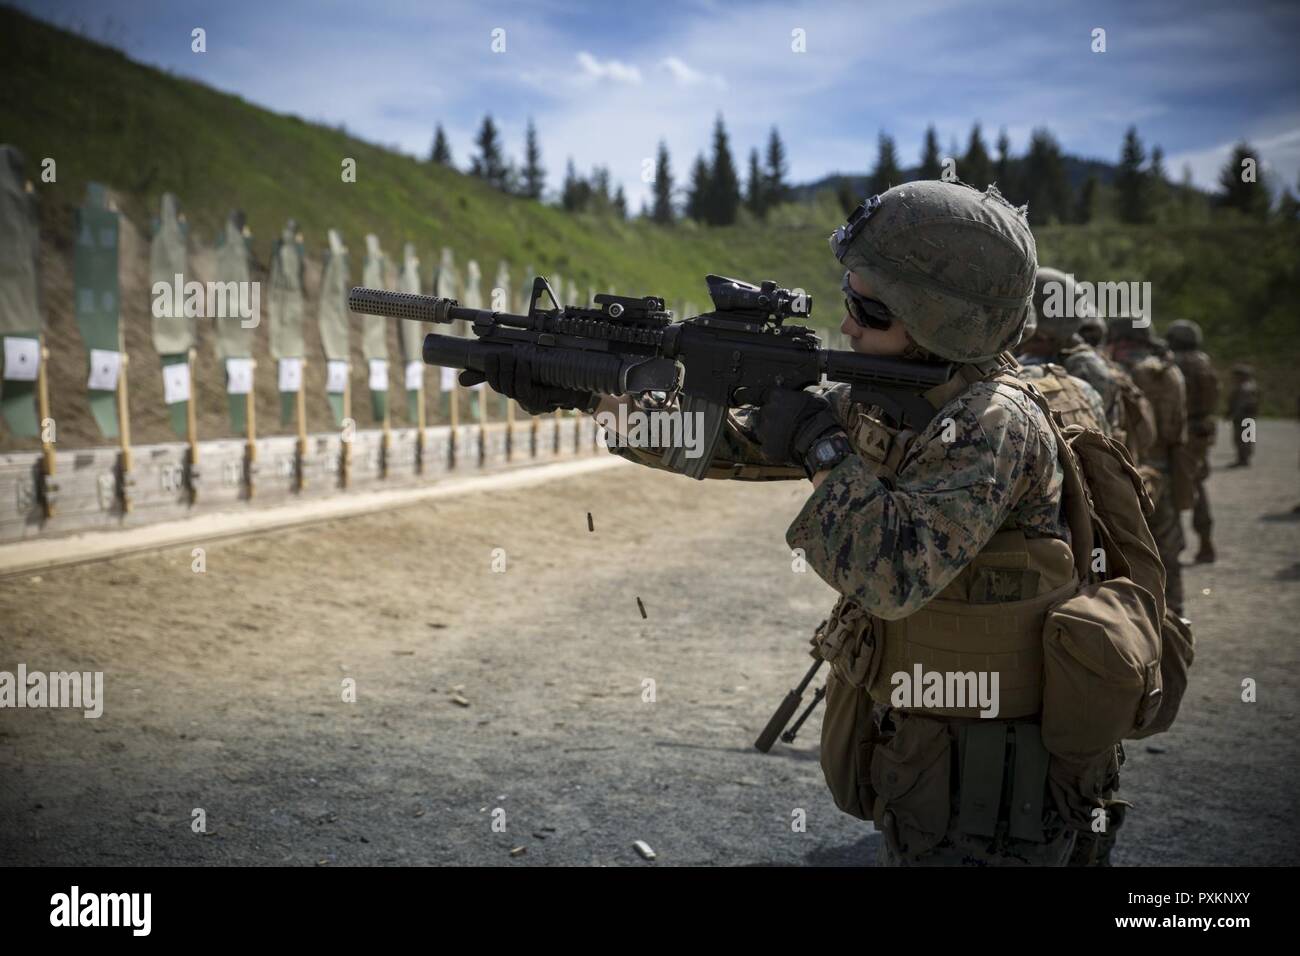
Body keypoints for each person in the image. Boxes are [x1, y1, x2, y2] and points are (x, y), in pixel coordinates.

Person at [475, 182, 1119, 866]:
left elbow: (892, 574)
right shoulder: (896, 398)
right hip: (936, 761)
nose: (848, 324)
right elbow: (728, 443)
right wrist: (593, 395)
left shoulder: (995, 423)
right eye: (849, 295)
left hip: (1001, 787)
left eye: (870, 309)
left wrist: (822, 451)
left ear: (942, 322)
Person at [1107, 318, 1189, 616]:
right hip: (1165, 467)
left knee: (1129, 551)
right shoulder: (1171, 372)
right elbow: (1178, 428)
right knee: (1168, 549)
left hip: (1130, 473)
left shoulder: (1117, 372)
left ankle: (1137, 619)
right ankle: (1175, 616)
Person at [1166, 319, 1220, 562]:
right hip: (1204, 430)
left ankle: (1176, 545)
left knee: (1174, 485)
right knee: (1198, 483)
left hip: (1184, 432)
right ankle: (1206, 541)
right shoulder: (1205, 362)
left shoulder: (1175, 363)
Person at [1226, 364, 1260, 467]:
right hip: (1245, 416)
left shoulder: (1246, 388)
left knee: (1244, 438)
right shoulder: (1249, 386)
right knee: (1244, 438)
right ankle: (1242, 458)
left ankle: (1243, 459)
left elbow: (1242, 404)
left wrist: (1233, 413)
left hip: (1244, 417)